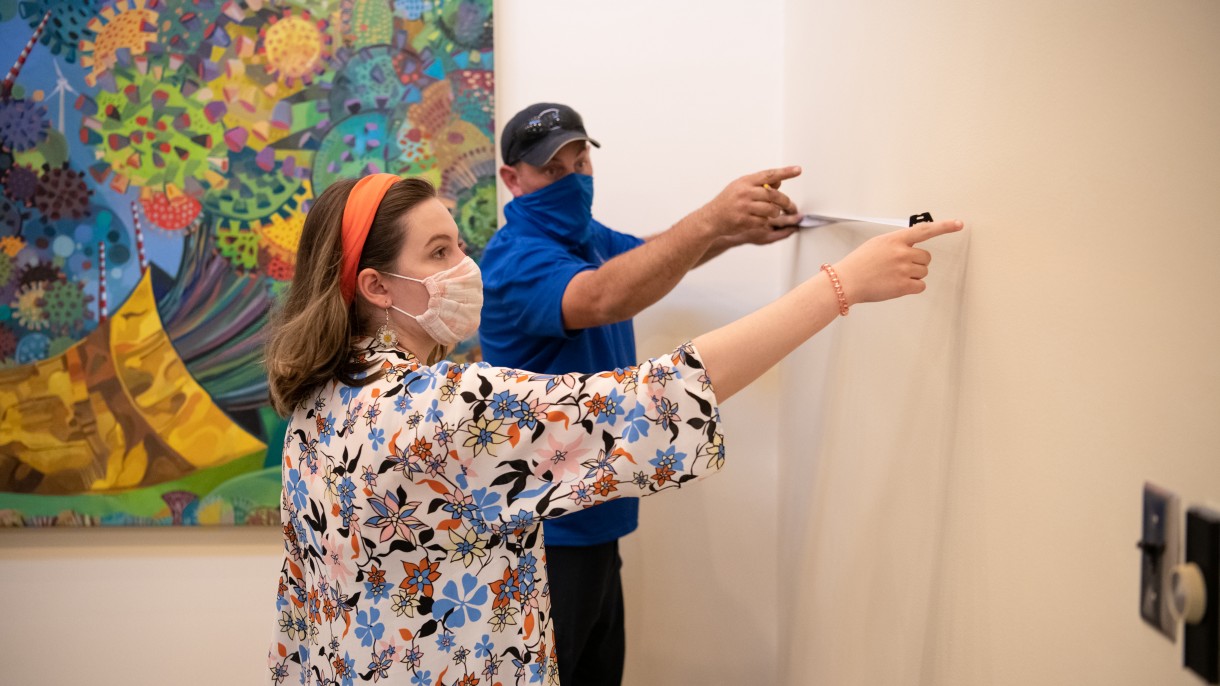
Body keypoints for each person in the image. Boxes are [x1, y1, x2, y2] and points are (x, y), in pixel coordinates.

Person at [263, 172, 962, 686]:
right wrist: (840, 285)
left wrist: (721, 226)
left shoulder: (319, 402)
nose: (466, 268)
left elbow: (301, 610)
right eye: (439, 253)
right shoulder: (437, 410)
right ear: (377, 286)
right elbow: (655, 400)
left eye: (459, 245)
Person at [478, 102, 802, 685]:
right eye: (554, 169)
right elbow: (604, 296)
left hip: (598, 511)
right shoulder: (515, 260)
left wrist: (735, 233)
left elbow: (645, 256)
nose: (574, 179)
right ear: (512, 178)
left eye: (582, 163)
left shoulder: (582, 236)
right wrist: (712, 218)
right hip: (546, 530)